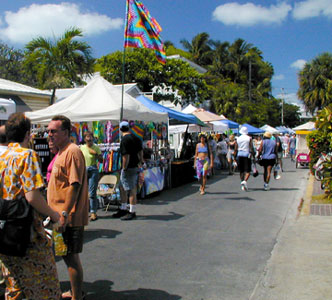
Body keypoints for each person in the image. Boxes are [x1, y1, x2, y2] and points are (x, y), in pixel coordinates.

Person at [0, 112, 61, 300]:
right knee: (46, 286)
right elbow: (32, 196)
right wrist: (55, 215)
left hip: (4, 230)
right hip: (26, 229)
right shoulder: (27, 156)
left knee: (14, 285)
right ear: (28, 134)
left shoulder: (2, 157)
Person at [47, 115, 89, 300]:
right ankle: (74, 292)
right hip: (59, 217)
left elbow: (74, 185)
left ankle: (76, 297)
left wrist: (64, 213)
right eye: (48, 131)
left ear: (65, 132)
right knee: (65, 256)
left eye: (53, 131)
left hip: (67, 217)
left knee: (71, 258)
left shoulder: (72, 151)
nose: (49, 135)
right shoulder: (62, 151)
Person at [112, 121, 143, 221]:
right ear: (129, 128)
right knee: (122, 187)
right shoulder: (136, 138)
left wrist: (124, 167)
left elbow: (126, 155)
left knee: (130, 189)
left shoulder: (125, 140)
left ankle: (132, 211)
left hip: (129, 167)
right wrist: (141, 161)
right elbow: (140, 151)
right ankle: (123, 207)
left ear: (120, 129)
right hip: (135, 166)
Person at [80, 131, 102, 221]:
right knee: (82, 192)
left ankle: (93, 212)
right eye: (87, 137)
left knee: (92, 192)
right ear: (85, 139)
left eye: (90, 137)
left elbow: (102, 160)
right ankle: (83, 212)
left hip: (93, 169)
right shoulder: (82, 148)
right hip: (83, 169)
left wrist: (96, 154)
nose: (89, 139)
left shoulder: (96, 147)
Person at [234, 126, 253, 191]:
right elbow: (251, 147)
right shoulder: (249, 138)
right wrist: (253, 154)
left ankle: (242, 182)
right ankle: (245, 181)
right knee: (248, 170)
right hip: (246, 154)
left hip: (239, 154)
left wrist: (234, 157)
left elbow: (236, 148)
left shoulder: (238, 138)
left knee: (241, 170)